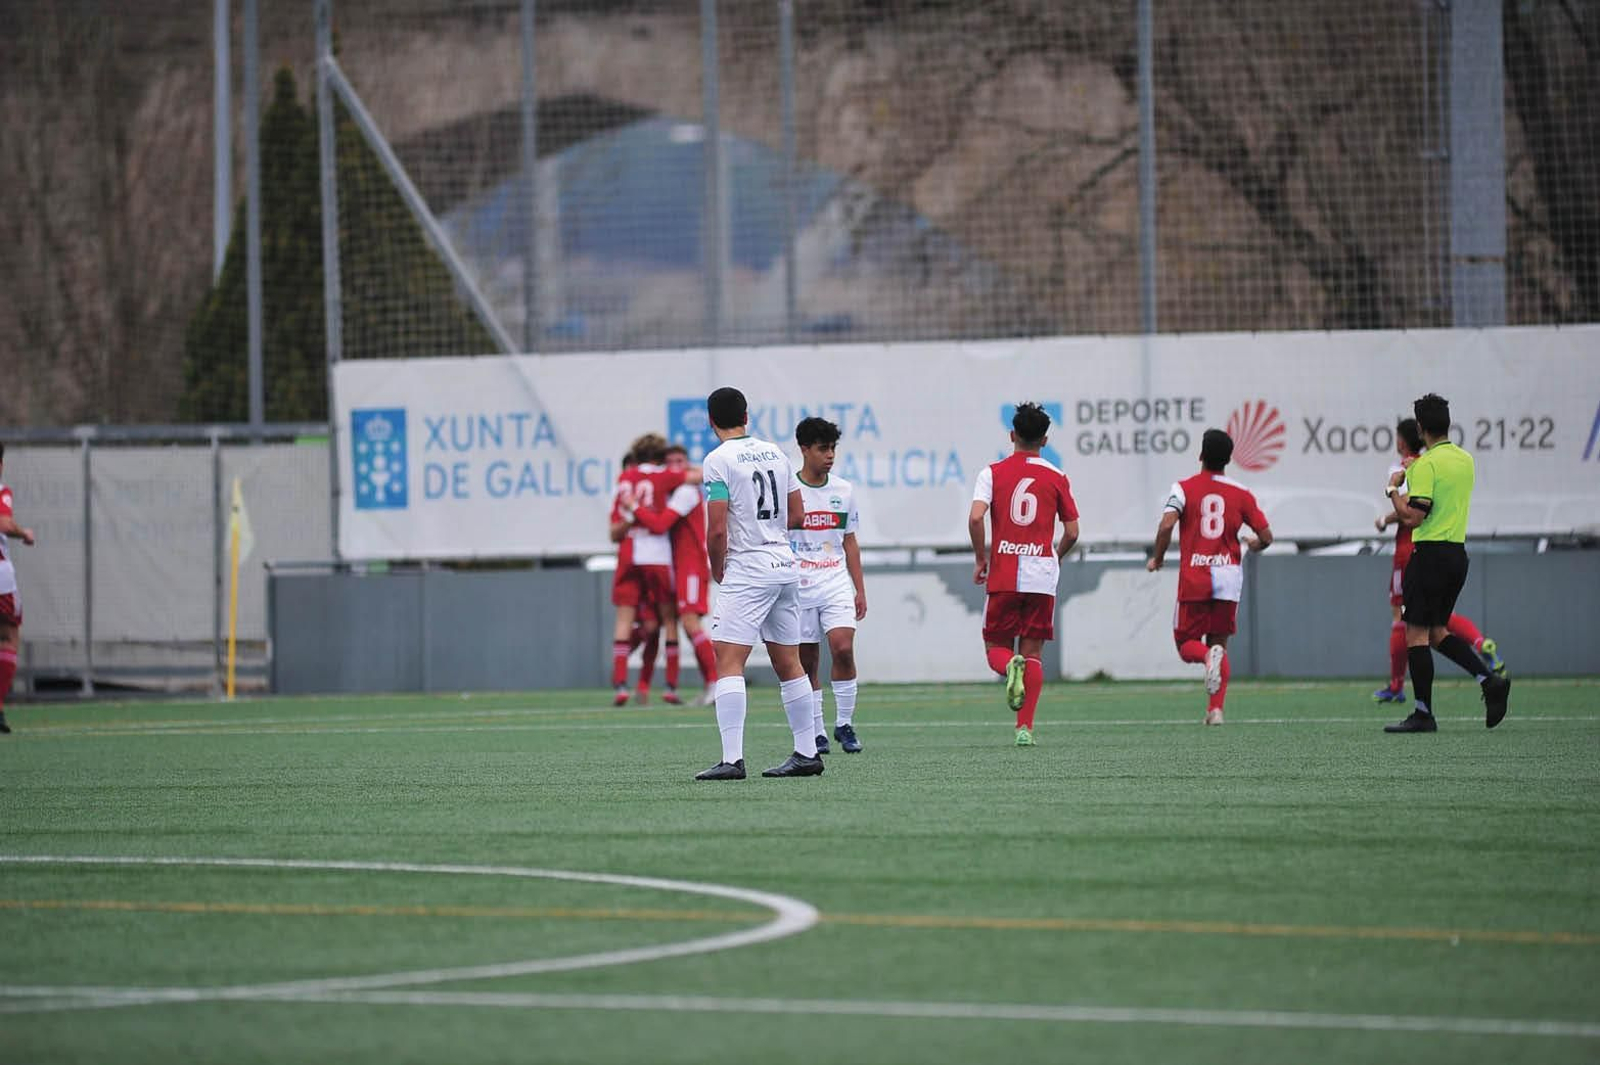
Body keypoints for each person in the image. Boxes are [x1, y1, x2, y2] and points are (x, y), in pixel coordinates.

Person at [694, 387, 820, 780]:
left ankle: (732, 760)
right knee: (790, 662)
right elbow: (797, 515)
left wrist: (718, 567)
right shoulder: (776, 453)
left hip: (748, 569)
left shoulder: (717, 460)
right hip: (784, 565)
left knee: (728, 660)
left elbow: (717, 529)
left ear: (711, 421)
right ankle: (807, 752)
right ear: (746, 416)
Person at [1382, 394, 1511, 733]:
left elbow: (1413, 517)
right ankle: (1489, 680)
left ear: (1420, 427)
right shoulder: (1465, 460)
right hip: (1456, 555)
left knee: (1416, 634)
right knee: (1438, 632)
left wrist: (1392, 489)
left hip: (1429, 556)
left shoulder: (1425, 465)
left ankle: (1423, 713)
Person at [968, 402, 1079, 746]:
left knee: (995, 649)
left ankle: (1009, 666)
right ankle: (1024, 729)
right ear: (1045, 440)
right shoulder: (1057, 476)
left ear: (1012, 435)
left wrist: (981, 558)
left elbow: (976, 517)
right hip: (1041, 575)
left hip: (1005, 572)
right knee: (1033, 655)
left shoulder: (992, 473)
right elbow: (1072, 532)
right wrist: (1055, 556)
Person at [1146, 429, 1272, 726]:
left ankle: (1205, 658)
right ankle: (1215, 710)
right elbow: (1266, 536)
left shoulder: (1183, 488)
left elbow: (1166, 526)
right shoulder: (1242, 493)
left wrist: (1158, 558)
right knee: (1219, 645)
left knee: (1186, 644)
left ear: (1201, 455)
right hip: (1228, 577)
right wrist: (1255, 544)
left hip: (1197, 575)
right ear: (1229, 459)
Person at [790, 417, 867, 754]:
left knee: (843, 647)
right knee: (807, 661)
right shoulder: (789, 492)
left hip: (835, 580)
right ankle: (817, 731)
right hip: (799, 584)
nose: (830, 455)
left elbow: (850, 541)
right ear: (804, 449)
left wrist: (859, 588)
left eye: (833, 448)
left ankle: (845, 724)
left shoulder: (844, 490)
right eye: (823, 448)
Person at [629, 443, 719, 705]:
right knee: (688, 626)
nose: (676, 467)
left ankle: (718, 682)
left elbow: (660, 525)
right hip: (680, 565)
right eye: (671, 463)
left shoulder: (685, 491)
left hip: (691, 565)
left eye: (681, 461)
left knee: (690, 623)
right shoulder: (672, 489)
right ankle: (711, 684)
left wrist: (634, 507)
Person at [606, 449, 661, 705]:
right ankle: (620, 684)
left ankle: (642, 684)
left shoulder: (656, 492)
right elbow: (614, 533)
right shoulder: (621, 497)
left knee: (652, 627)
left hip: (654, 564)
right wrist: (632, 515)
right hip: (629, 563)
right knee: (624, 621)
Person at [0, 443, 37, 735]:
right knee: (9, 636)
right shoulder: (2, 490)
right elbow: (3, 522)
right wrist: (23, 532)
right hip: (1, 578)